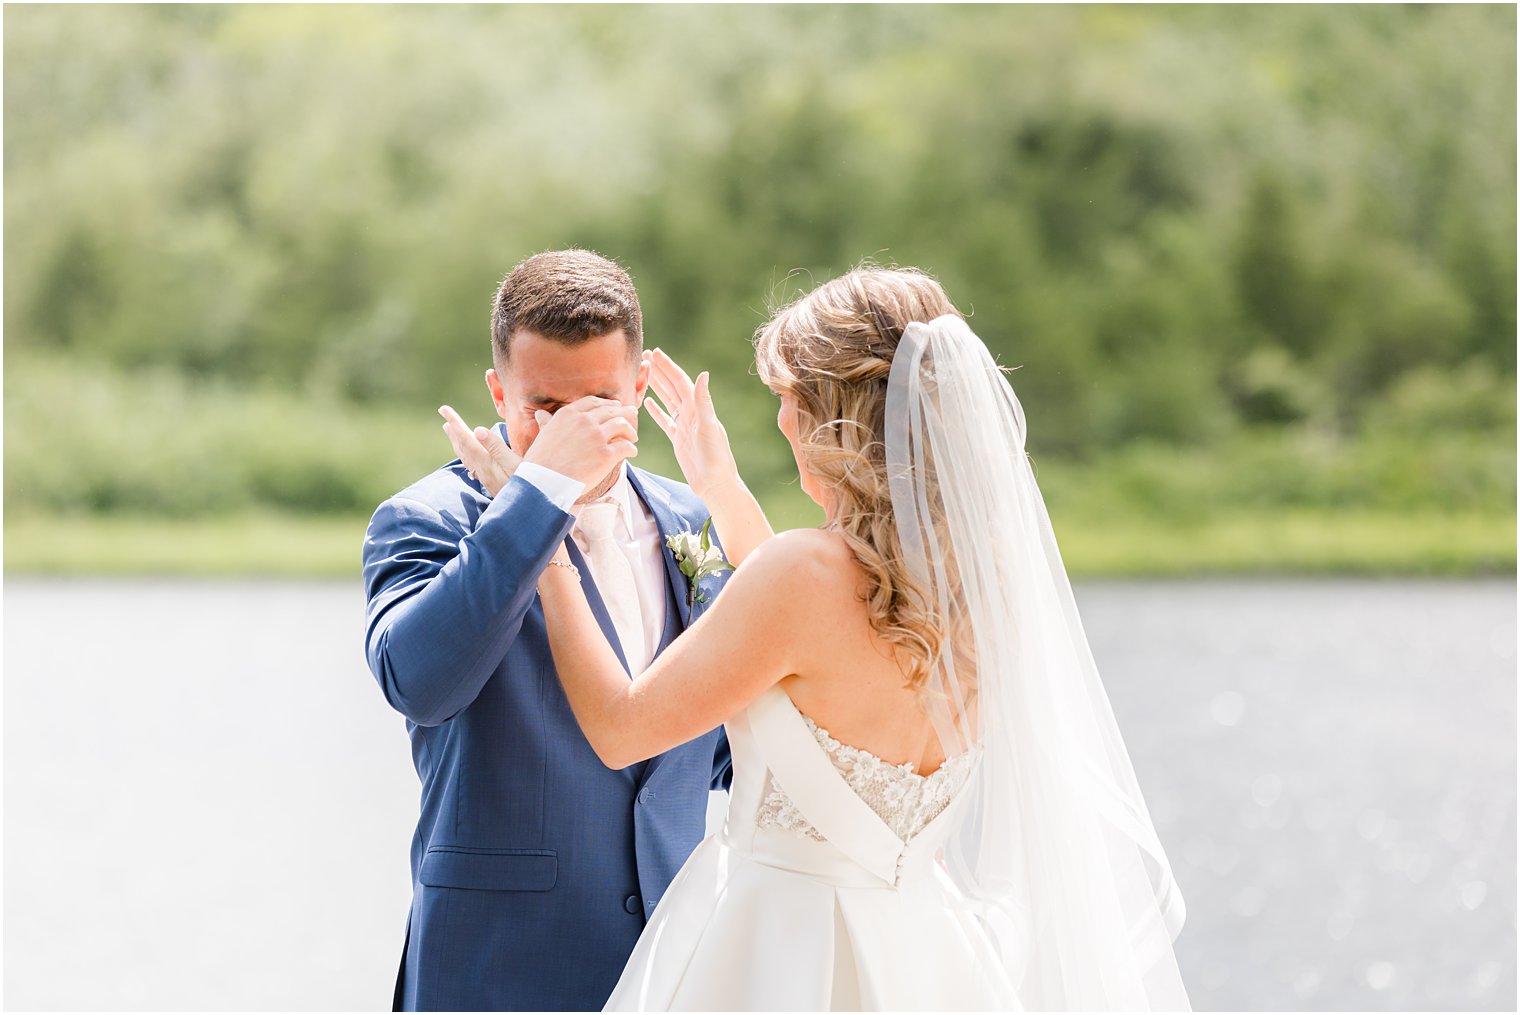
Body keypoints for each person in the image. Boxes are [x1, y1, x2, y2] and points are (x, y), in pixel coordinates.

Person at [448, 266, 1191, 1011]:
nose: (780, 422)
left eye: (788, 400)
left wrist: (538, 528)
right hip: (923, 955)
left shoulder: (802, 574)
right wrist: (723, 489)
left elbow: (620, 728)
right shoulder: (978, 584)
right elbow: (809, 664)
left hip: (773, 953)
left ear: (836, 417)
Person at [363, 249, 733, 1012]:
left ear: (637, 387)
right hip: (501, 969)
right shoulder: (428, 519)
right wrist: (540, 496)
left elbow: (724, 742)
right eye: (545, 408)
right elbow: (419, 682)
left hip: (676, 963)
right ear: (499, 392)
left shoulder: (690, 522)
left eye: (599, 403)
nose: (572, 433)